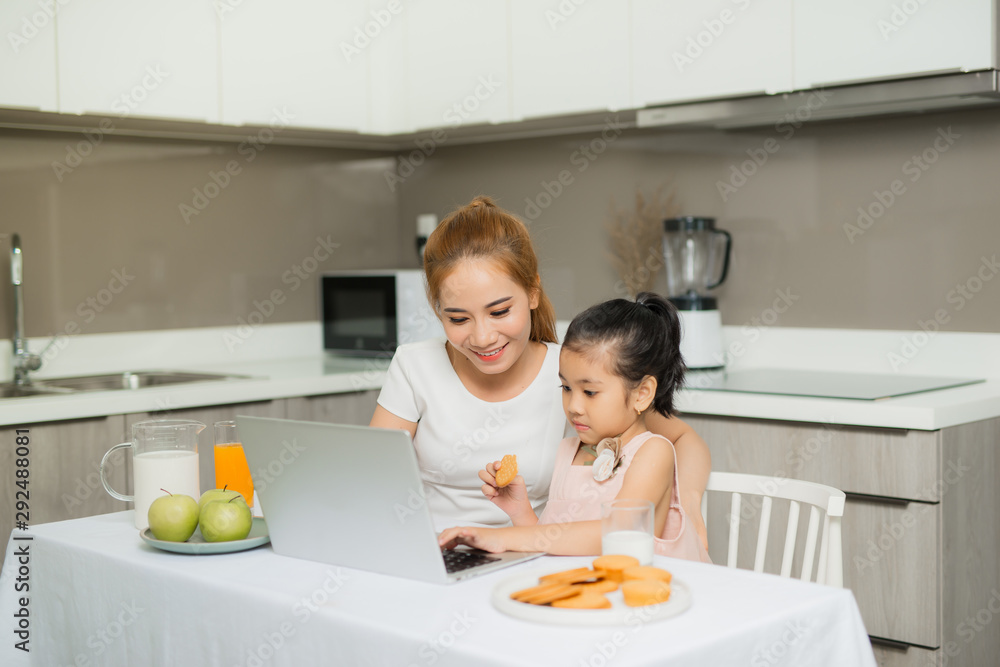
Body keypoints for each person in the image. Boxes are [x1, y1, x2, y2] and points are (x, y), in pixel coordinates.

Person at [370, 196, 711, 546]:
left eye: (500, 312)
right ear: (437, 309)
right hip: (433, 552)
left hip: (535, 555)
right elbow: (371, 478)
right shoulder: (415, 366)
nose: (483, 337)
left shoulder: (572, 375)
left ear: (533, 292)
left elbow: (681, 441)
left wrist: (688, 505)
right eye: (458, 318)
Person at [437, 292, 711, 562]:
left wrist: (501, 537)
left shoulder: (653, 452)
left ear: (642, 394)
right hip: (591, 591)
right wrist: (520, 511)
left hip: (648, 595)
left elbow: (619, 532)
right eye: (566, 387)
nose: (574, 405)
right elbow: (551, 544)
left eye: (590, 392)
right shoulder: (569, 451)